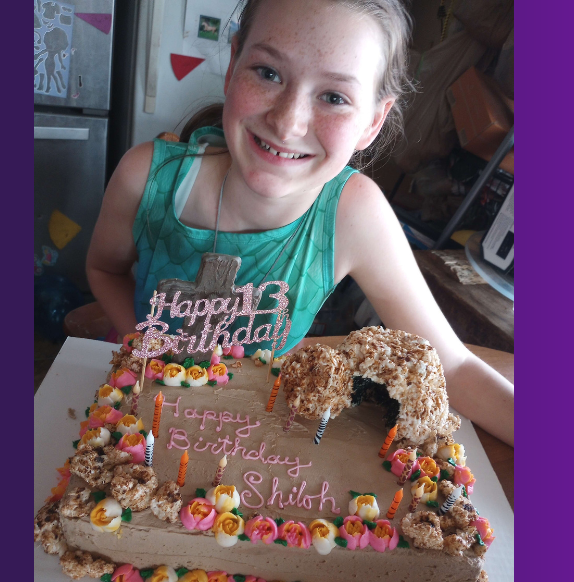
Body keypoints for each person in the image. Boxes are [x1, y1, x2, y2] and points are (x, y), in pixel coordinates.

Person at [86, 0, 514, 446]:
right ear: (233, 66)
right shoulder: (147, 179)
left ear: (372, 121)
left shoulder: (354, 214)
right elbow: (103, 269)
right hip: (140, 407)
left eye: (333, 97)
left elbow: (453, 366)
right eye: (268, 73)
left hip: (256, 439)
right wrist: (142, 345)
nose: (288, 122)